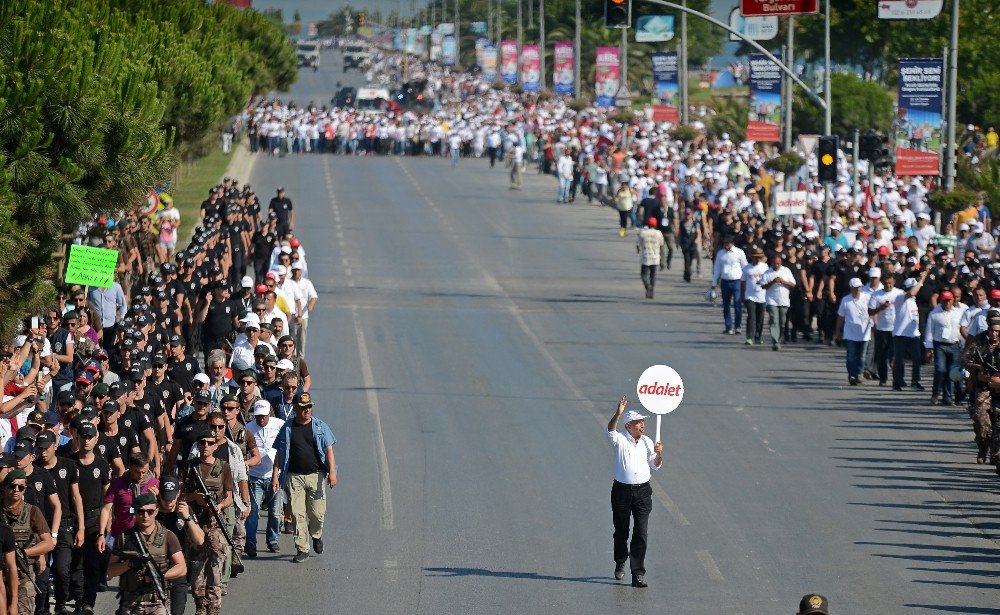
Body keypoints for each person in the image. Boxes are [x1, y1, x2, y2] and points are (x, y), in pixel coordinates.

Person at [270, 392, 337, 563]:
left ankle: (316, 535)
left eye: (309, 407)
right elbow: (279, 452)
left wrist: (332, 472)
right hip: (294, 477)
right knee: (297, 514)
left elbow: (329, 449)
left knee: (317, 513)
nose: (307, 410)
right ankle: (302, 548)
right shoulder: (287, 428)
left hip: (316, 476)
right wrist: (275, 476)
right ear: (295, 408)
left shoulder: (320, 426)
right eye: (303, 407)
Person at [605, 396, 662, 588]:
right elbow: (610, 430)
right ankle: (620, 561)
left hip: (643, 493)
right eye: (639, 423)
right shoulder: (619, 439)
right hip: (621, 492)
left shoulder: (647, 441)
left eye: (643, 423)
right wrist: (618, 413)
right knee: (621, 531)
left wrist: (659, 453)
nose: (642, 426)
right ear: (629, 425)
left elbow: (655, 466)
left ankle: (638, 573)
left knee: (641, 533)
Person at [107, 492, 186, 615]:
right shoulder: (124, 537)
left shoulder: (168, 536)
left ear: (156, 511)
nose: (145, 515)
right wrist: (129, 564)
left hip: (158, 601)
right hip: (131, 602)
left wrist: (160, 575)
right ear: (135, 512)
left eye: (150, 511)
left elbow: (181, 568)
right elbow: (110, 570)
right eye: (141, 511)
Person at [183, 427, 232, 615]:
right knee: (196, 575)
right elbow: (179, 496)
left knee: (215, 571)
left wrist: (219, 506)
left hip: (215, 525)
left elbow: (229, 496)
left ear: (215, 446)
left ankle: (213, 609)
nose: (205, 446)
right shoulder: (188, 467)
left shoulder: (223, 466)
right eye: (202, 442)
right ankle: (200, 606)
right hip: (195, 525)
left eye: (210, 443)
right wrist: (194, 497)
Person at [2, 468, 56, 615]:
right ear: (4, 487)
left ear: (25, 490)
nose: (16, 490)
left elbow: (48, 542)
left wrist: (24, 552)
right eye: (12, 486)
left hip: (23, 574)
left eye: (21, 487)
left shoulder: (32, 511)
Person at [154, 477, 204, 615]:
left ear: (178, 494)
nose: (168, 502)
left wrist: (187, 518)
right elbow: (130, 511)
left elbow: (200, 540)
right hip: (155, 571)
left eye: (172, 498)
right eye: (165, 498)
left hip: (178, 571)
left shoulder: (185, 511)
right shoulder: (151, 510)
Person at [245, 400, 283, 556]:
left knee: (274, 512)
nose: (261, 419)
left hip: (274, 476)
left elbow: (283, 449)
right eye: (258, 416)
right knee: (253, 511)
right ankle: (251, 543)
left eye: (264, 416)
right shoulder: (248, 428)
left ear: (269, 414)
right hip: (255, 476)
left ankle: (272, 540)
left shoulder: (279, 424)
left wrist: (277, 475)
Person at [925, 289, 965, 405]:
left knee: (952, 372)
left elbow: (962, 329)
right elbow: (929, 331)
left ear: (953, 300)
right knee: (940, 369)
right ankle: (935, 392)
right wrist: (928, 348)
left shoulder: (959, 312)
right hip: (940, 345)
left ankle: (947, 398)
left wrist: (964, 345)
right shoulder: (934, 314)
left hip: (955, 345)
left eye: (949, 300)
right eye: (945, 301)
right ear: (941, 301)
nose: (947, 303)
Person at [835, 278, 872, 386]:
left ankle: (859, 373)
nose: (857, 289)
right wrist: (837, 331)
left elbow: (874, 312)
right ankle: (851, 374)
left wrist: (874, 324)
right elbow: (840, 316)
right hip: (850, 333)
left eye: (859, 287)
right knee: (851, 355)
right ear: (851, 288)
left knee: (861, 356)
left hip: (864, 332)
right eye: (855, 287)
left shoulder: (868, 298)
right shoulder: (845, 300)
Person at [712, 235, 747, 335]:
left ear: (732, 243)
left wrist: (746, 281)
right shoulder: (720, 254)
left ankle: (738, 326)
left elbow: (745, 267)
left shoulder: (739, 253)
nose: (726, 246)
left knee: (737, 304)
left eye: (728, 244)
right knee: (726, 305)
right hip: (725, 281)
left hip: (737, 281)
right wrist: (714, 283)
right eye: (725, 244)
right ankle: (728, 326)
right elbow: (717, 269)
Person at [760, 252, 796, 351]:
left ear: (781, 262)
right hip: (772, 300)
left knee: (782, 322)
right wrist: (773, 282)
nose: (776, 265)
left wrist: (783, 281)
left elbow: (793, 284)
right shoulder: (767, 272)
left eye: (778, 263)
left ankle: (779, 339)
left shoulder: (786, 271)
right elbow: (763, 286)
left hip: (784, 300)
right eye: (774, 263)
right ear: (771, 262)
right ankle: (775, 341)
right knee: (774, 320)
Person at [636, 218, 665, 299]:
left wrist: (638, 251)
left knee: (643, 275)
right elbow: (662, 245)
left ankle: (648, 287)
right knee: (653, 275)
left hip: (646, 257)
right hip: (655, 257)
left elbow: (638, 244)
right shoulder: (658, 233)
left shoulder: (643, 233)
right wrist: (662, 259)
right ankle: (651, 291)